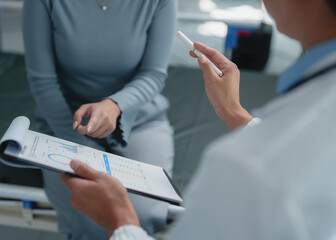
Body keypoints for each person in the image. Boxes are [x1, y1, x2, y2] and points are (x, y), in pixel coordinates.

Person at [61, 0, 336, 239]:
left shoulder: (246, 167)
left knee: (141, 207)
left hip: (144, 121)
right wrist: (233, 111)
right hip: (68, 120)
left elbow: (154, 74)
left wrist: (120, 221)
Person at [22, 0, 177, 239]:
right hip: (63, 120)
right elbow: (42, 80)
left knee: (141, 214)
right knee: (87, 213)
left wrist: (116, 106)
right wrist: (78, 142)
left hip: (138, 118)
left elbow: (153, 74)